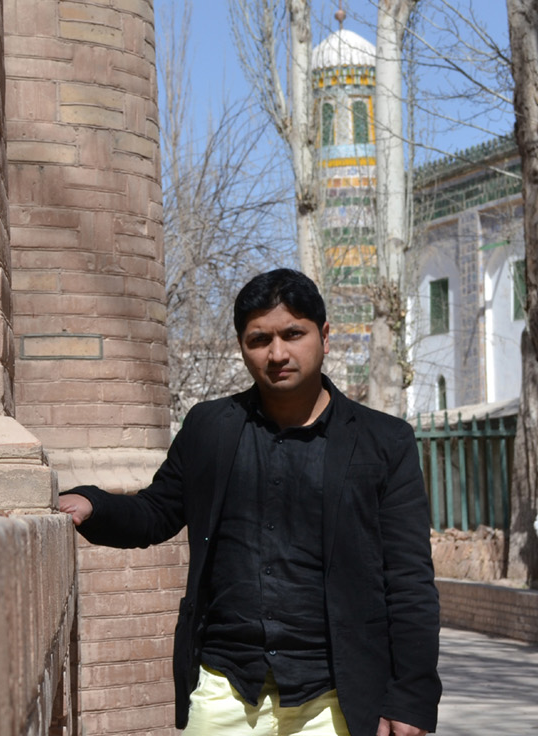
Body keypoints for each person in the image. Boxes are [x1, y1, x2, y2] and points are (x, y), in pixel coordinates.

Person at [59, 269, 439, 736]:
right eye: (260, 339)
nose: (277, 353)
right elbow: (157, 512)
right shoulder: (211, 428)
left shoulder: (384, 442)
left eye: (292, 334)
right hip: (225, 689)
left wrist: (411, 698)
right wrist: (93, 505)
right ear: (242, 345)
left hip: (336, 697)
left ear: (323, 335)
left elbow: (409, 581)